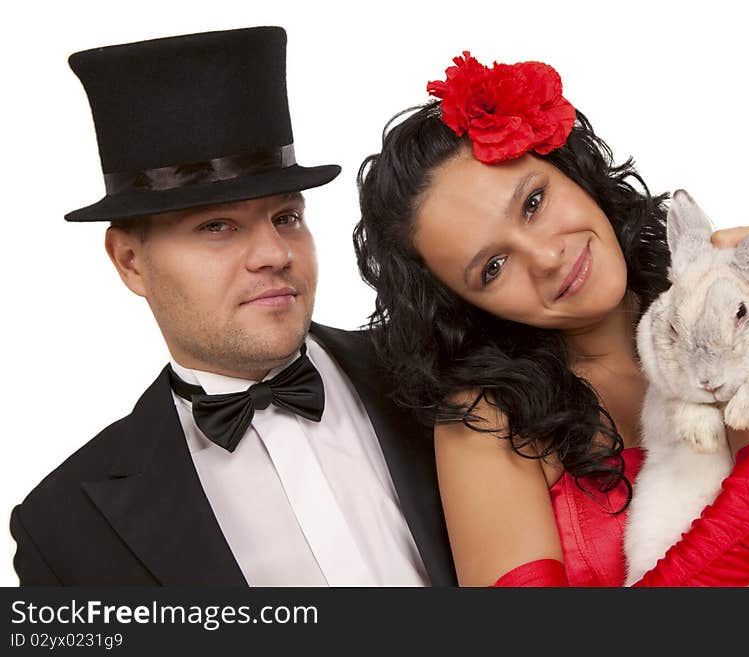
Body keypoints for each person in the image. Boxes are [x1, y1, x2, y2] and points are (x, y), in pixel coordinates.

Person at [354, 52, 749, 586]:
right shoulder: (490, 424)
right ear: (465, 306)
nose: (546, 257)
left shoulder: (728, 296)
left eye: (533, 202)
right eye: (492, 267)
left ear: (572, 170)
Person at [9, 27, 456, 586]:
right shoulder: (64, 529)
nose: (274, 253)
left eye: (287, 217)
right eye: (217, 227)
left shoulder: (445, 370)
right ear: (129, 261)